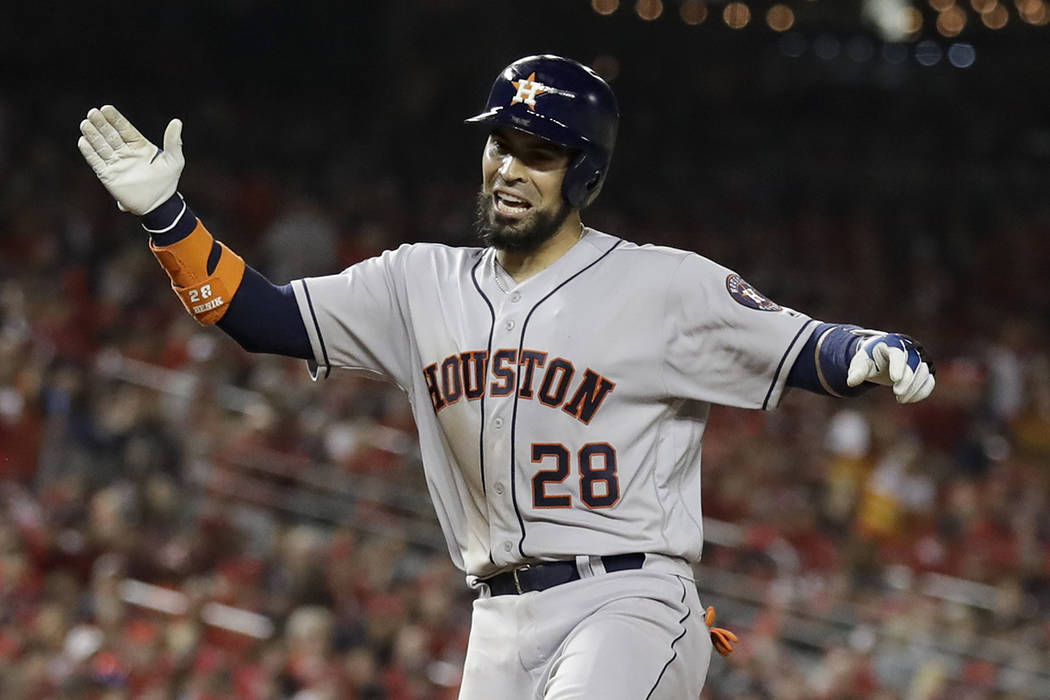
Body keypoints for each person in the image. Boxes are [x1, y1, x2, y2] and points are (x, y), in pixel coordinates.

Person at [77, 54, 935, 699]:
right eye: (500, 144)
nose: (509, 167)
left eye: (540, 152)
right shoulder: (415, 283)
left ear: (586, 172)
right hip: (495, 615)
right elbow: (260, 319)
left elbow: (800, 344)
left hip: (628, 598)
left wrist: (866, 351)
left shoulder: (659, 283)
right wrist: (166, 215)